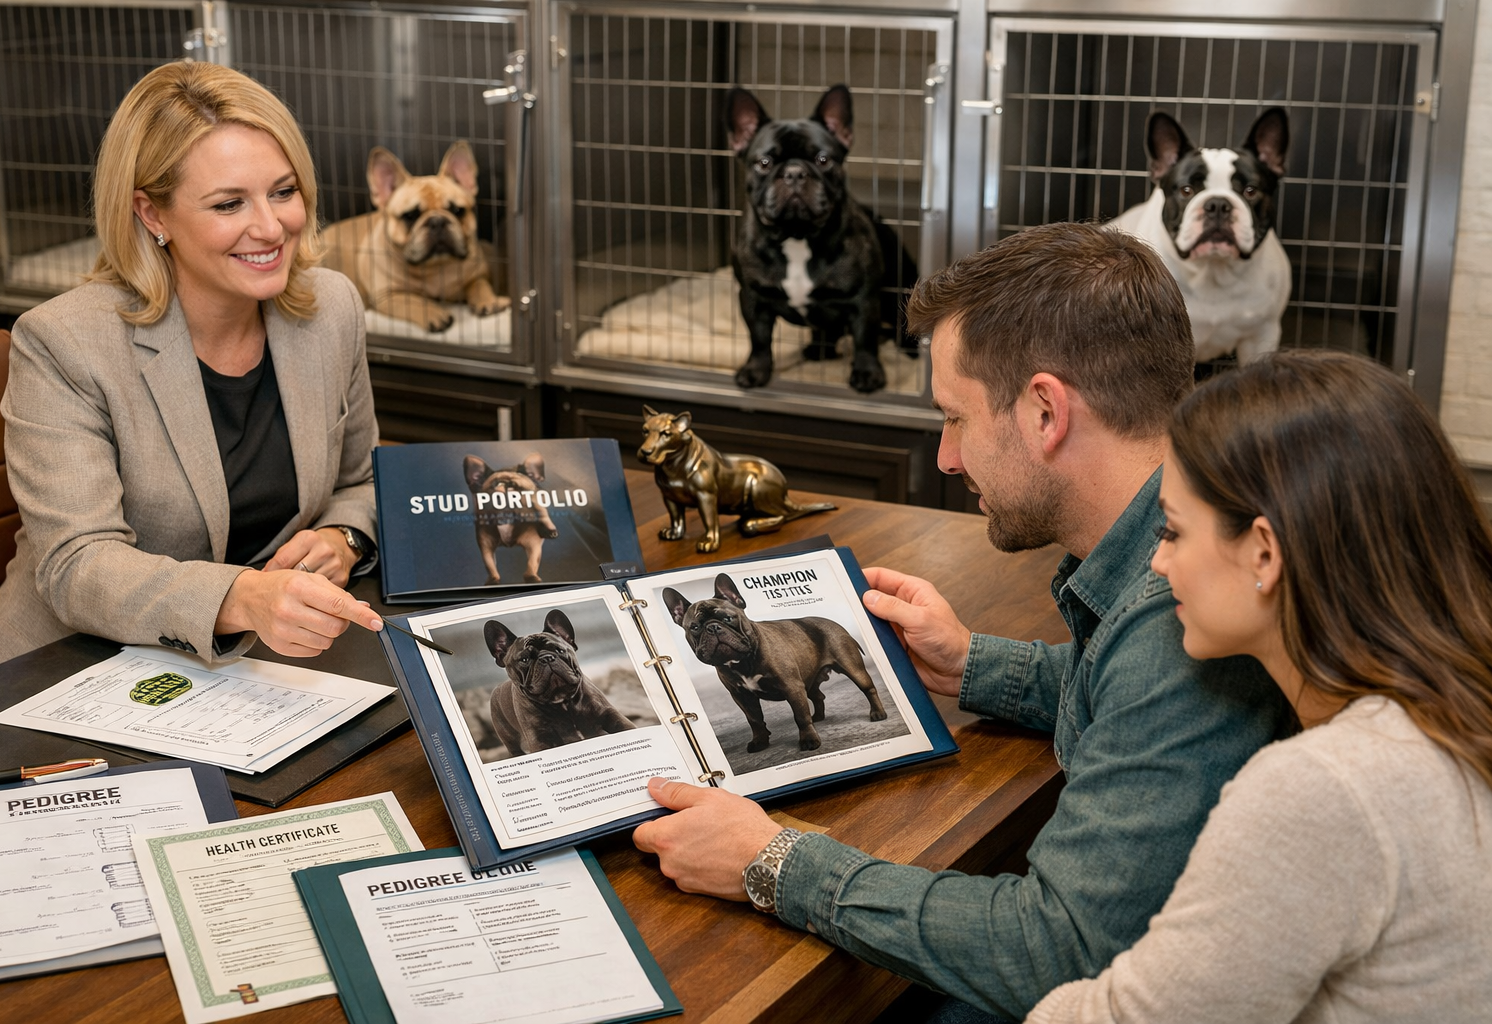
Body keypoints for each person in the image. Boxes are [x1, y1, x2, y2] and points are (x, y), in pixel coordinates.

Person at [632, 222, 1295, 1021]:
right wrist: (970, 662)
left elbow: (1052, 951)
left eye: (956, 417)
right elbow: (1126, 700)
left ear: (1046, 411)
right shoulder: (1179, 548)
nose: (948, 458)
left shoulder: (1176, 624)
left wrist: (769, 860)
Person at [1026, 350, 1492, 1022]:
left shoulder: (1325, 788)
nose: (1158, 561)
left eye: (1173, 531)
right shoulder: (1448, 708)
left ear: (1265, 554)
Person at [0, 61, 383, 680]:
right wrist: (239, 597)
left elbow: (364, 481)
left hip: (246, 674)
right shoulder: (64, 341)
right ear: (153, 216)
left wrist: (344, 540)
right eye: (229, 203)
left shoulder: (332, 306)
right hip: (64, 673)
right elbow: (77, 563)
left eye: (284, 192)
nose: (270, 227)